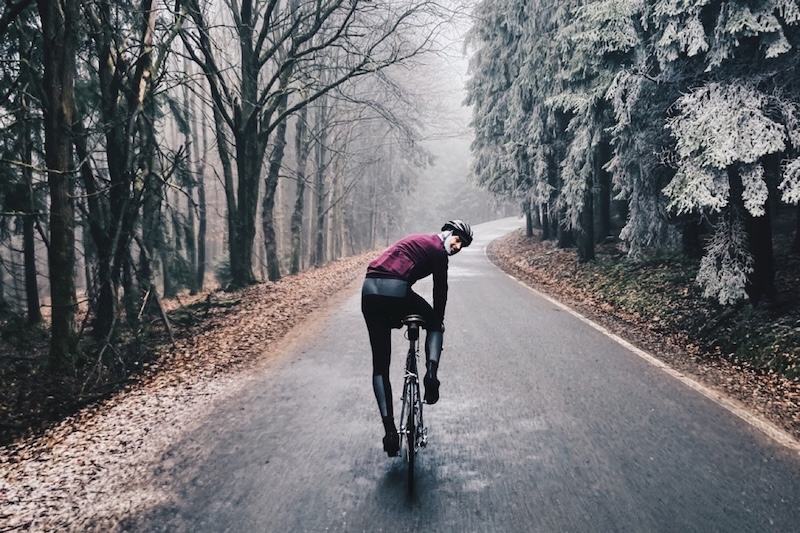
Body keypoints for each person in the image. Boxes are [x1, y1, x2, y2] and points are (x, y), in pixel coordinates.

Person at [361, 220, 474, 457]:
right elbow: (440, 292)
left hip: (369, 290)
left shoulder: (417, 241)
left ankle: (390, 432)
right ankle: (431, 376)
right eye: (457, 240)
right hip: (395, 290)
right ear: (448, 234)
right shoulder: (438, 251)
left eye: (462, 246)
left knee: (380, 365)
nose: (457, 247)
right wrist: (436, 322)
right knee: (434, 322)